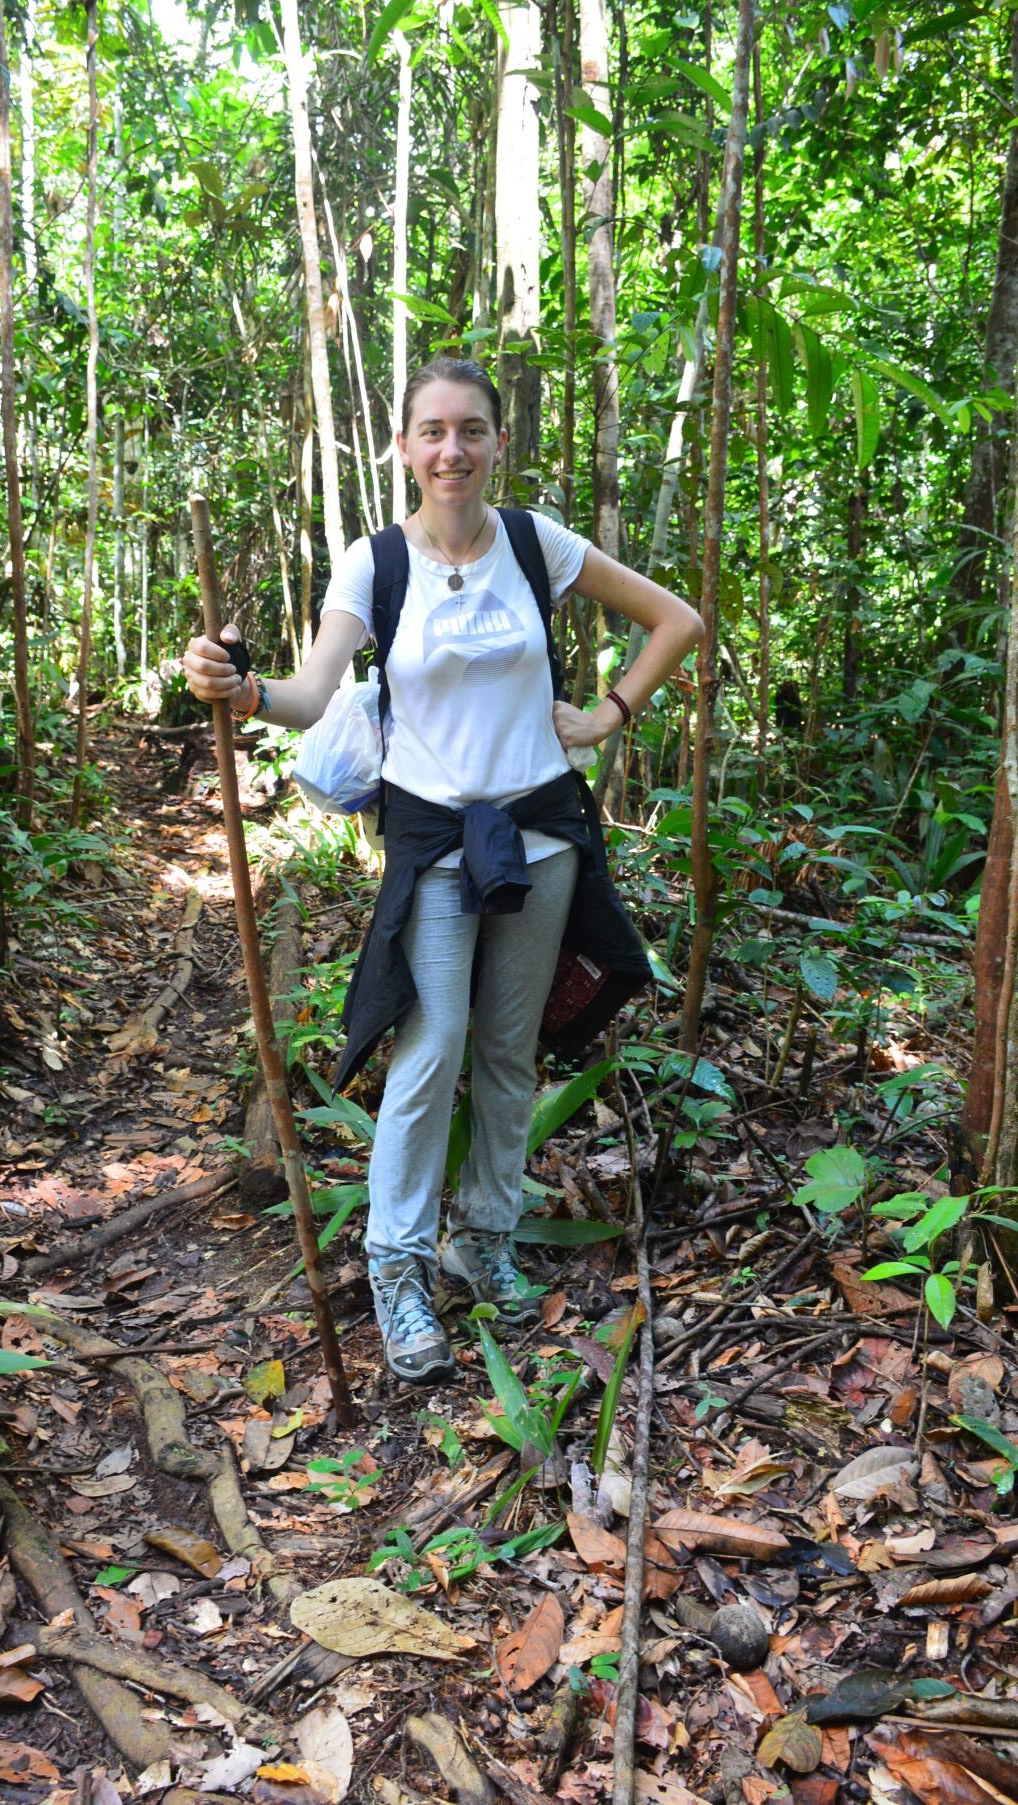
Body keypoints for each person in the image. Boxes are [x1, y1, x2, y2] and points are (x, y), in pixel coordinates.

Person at [183, 357, 702, 1385]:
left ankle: (487, 1241)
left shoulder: (533, 541)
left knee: (510, 1049)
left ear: (497, 441)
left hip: (543, 829)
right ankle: (399, 1266)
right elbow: (309, 690)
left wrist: (606, 715)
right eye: (431, 430)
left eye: (471, 429)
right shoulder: (373, 562)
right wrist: (239, 686)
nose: (451, 448)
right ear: (404, 446)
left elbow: (677, 619)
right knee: (433, 1047)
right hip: (432, 838)